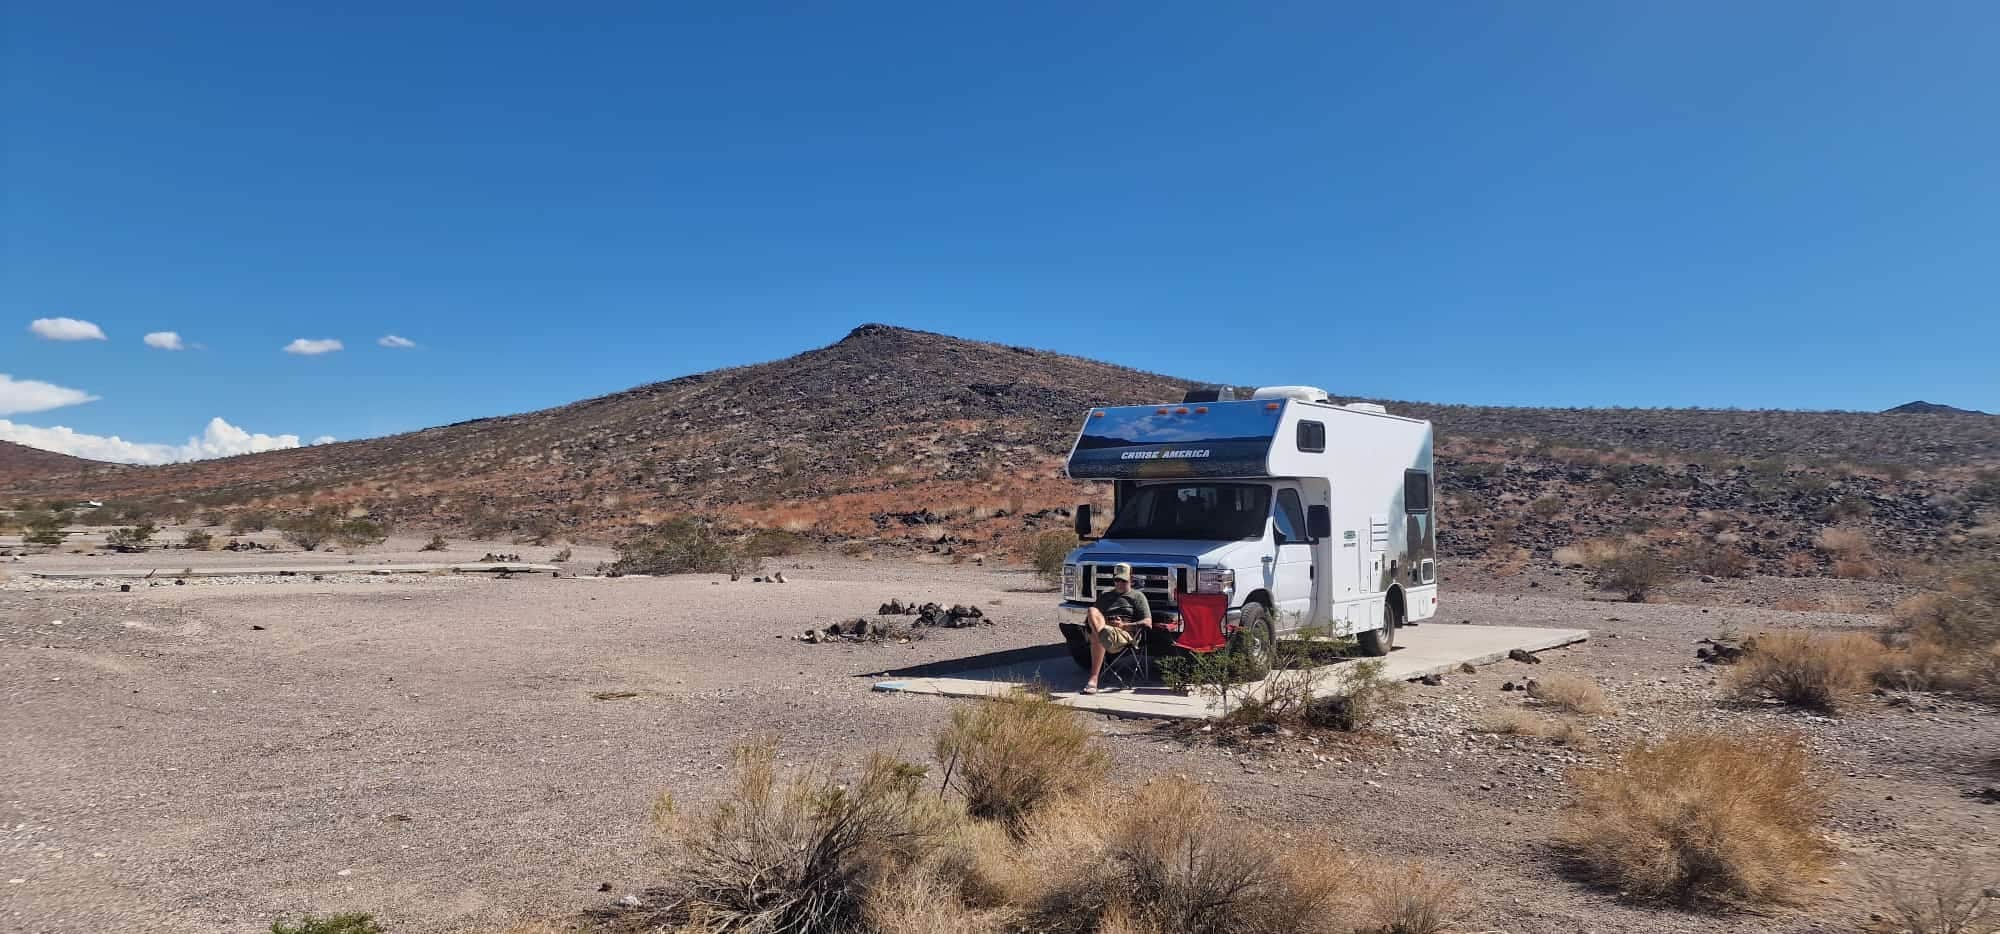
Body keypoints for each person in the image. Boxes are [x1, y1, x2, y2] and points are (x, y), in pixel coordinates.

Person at [1081, 563, 1151, 694]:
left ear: (1131, 578)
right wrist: (1106, 623)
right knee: (1092, 610)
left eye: (1123, 580)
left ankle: (1094, 678)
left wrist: (1124, 625)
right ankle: (1101, 637)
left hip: (1126, 634)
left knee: (1098, 635)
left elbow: (1148, 623)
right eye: (1117, 580)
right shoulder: (1105, 595)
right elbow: (1093, 618)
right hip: (1105, 629)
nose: (1119, 583)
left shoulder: (1137, 597)